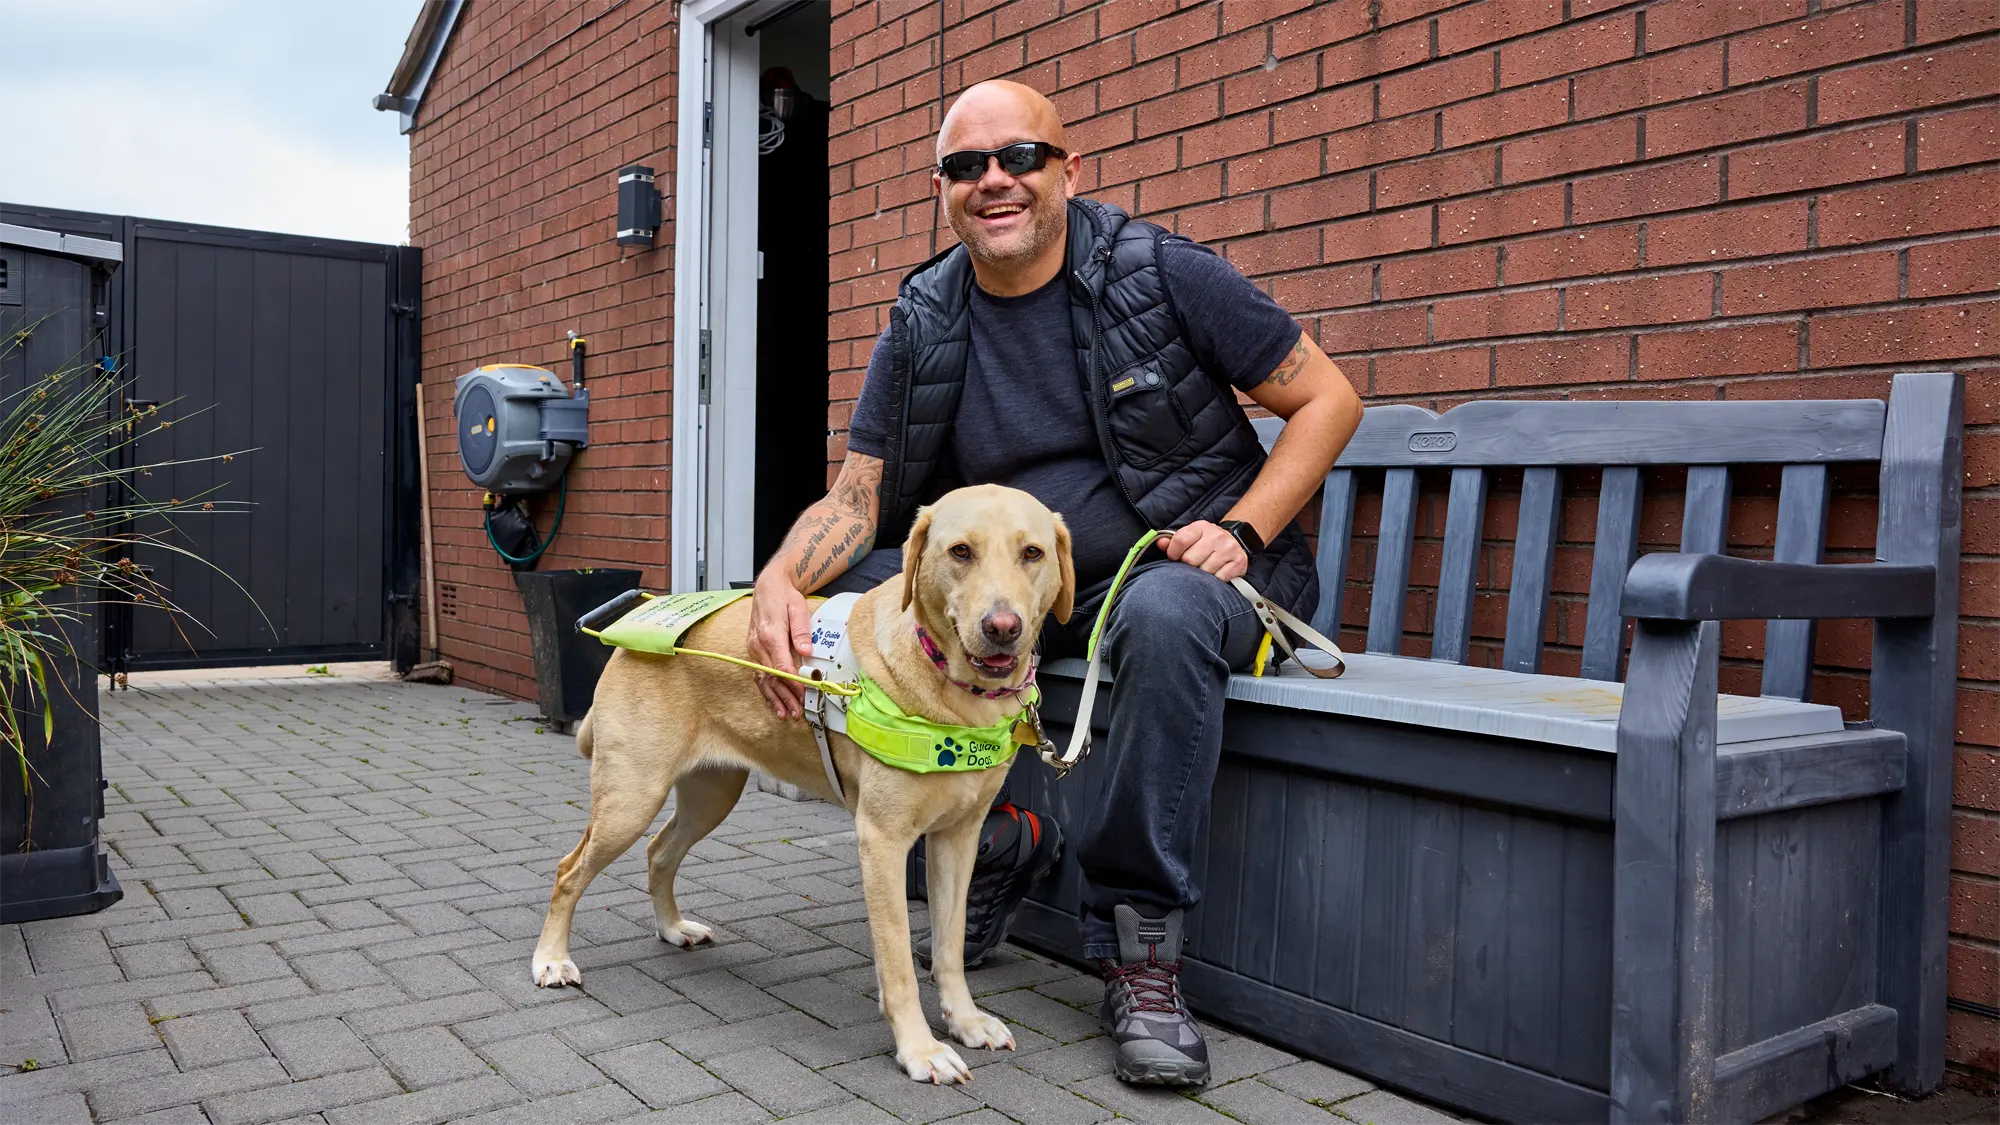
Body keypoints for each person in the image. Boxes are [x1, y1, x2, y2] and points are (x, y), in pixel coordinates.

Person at [746, 79, 1362, 1086]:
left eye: (1018, 157)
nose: (993, 181)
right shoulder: (923, 317)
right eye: (964, 166)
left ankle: (1136, 947)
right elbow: (859, 500)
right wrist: (780, 581)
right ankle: (991, 836)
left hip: (1183, 570)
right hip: (1010, 597)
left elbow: (1328, 400)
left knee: (1163, 622)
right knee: (857, 605)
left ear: (1066, 170)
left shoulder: (1158, 273)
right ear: (942, 189)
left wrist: (1241, 530)